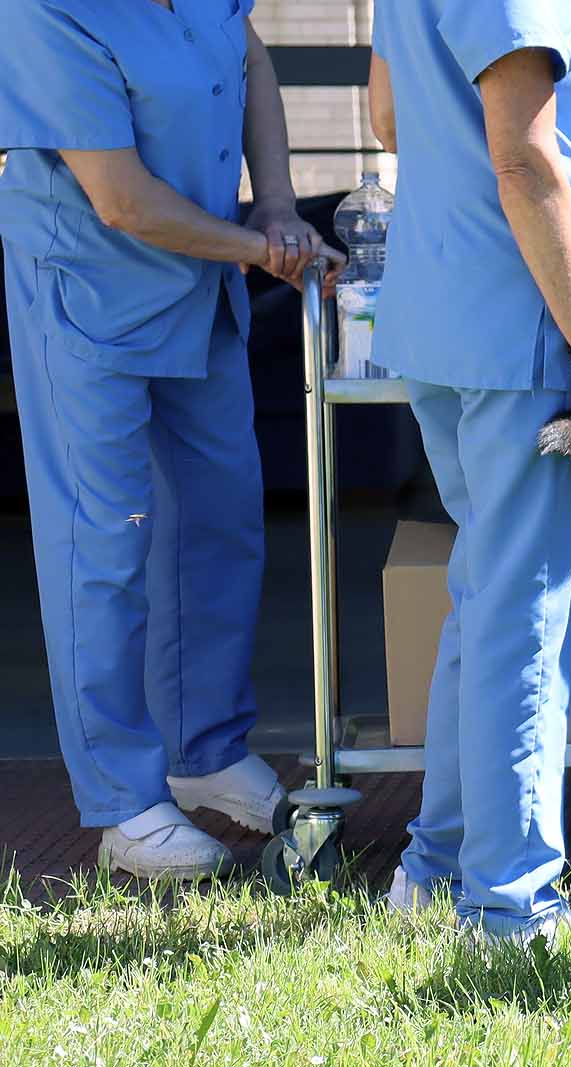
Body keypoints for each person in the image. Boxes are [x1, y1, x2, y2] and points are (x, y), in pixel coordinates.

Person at [0, 0, 339, 880]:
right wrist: (257, 249)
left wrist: (275, 206)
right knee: (103, 545)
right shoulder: (43, 11)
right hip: (89, 289)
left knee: (220, 520)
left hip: (201, 280)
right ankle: (123, 801)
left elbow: (251, 60)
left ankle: (206, 750)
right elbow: (120, 200)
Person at [368, 0, 571, 955]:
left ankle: (439, 868)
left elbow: (390, 115)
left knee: (485, 602)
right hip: (524, 331)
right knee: (523, 615)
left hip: (449, 314)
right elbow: (523, 162)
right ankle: (512, 908)